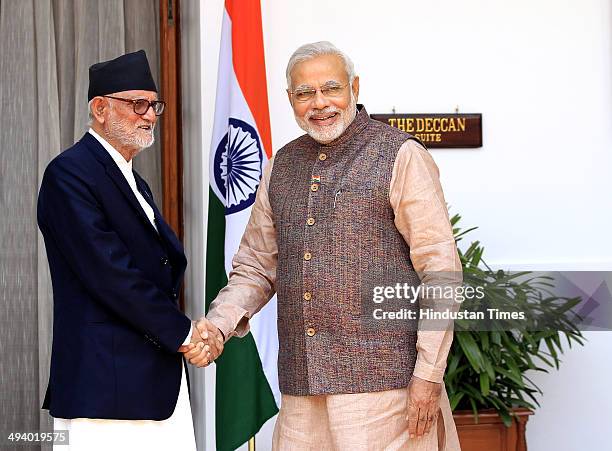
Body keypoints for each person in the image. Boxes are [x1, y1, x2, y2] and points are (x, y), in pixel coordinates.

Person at [202, 41, 463, 450]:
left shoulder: (401, 155)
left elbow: (441, 270)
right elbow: (255, 266)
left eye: (331, 88)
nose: (319, 103)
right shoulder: (280, 166)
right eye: (305, 93)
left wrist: (428, 375)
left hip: (385, 391)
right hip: (301, 392)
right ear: (290, 99)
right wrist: (219, 322)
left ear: (354, 87)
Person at [37, 50, 222, 451]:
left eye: (153, 104)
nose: (149, 114)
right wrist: (187, 334)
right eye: (137, 103)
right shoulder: (69, 174)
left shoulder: (134, 181)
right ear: (100, 108)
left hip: (154, 387)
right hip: (104, 389)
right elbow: (110, 273)